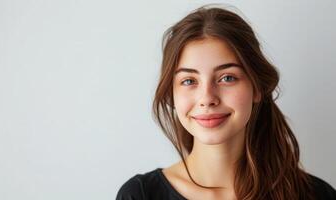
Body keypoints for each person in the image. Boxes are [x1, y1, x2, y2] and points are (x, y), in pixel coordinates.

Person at [116, 4, 336, 200]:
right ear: (171, 94)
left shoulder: (315, 194)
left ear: (257, 87)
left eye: (227, 78)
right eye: (189, 80)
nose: (207, 98)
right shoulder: (140, 195)